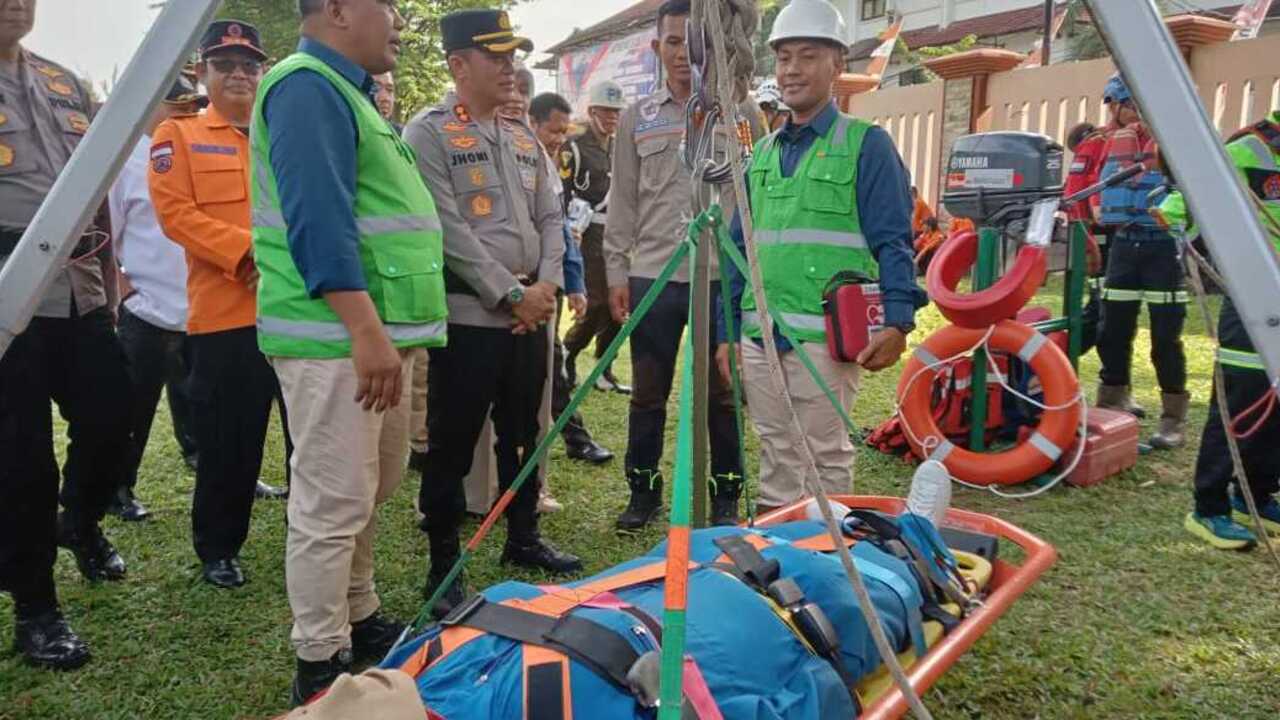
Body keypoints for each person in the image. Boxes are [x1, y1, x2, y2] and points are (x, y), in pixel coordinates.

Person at [252, 0, 446, 701]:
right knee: (333, 501)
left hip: (374, 337)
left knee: (371, 487)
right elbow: (318, 220)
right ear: (337, 9)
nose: (398, 20)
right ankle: (320, 657)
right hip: (338, 339)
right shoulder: (306, 84)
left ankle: (359, 615)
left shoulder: (350, 93)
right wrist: (366, 332)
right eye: (387, 6)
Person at [403, 8, 583, 612]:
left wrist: (548, 286)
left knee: (523, 432)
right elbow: (446, 228)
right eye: (496, 56)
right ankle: (443, 562)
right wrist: (512, 293)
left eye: (513, 56)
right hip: (471, 317)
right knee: (452, 441)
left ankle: (523, 535)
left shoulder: (520, 132)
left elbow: (553, 216)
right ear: (459, 64)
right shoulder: (427, 133)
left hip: (532, 315)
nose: (510, 67)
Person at [716, 0, 925, 514]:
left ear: (837, 64)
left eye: (807, 56)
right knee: (776, 452)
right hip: (760, 335)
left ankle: (832, 564)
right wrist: (726, 332)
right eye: (783, 57)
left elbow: (894, 240)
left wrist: (898, 321)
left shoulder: (867, 145)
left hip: (826, 339)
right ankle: (780, 562)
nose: (791, 69)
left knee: (824, 457)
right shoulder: (760, 154)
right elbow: (739, 250)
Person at [0, 0, 130, 670]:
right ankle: (36, 608)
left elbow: (98, 193)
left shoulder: (64, 82)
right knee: (22, 460)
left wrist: (109, 286)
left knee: (115, 418)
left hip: (79, 289)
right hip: (7, 299)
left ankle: (75, 522)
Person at [606, 0, 764, 529]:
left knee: (723, 391)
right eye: (672, 42)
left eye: (692, 41)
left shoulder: (742, 114)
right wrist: (614, 273)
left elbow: (754, 197)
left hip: (721, 275)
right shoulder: (637, 118)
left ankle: (724, 494)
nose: (682, 53)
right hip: (653, 276)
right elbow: (622, 202)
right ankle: (642, 493)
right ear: (656, 48)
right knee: (648, 393)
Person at [149, 20, 290, 590]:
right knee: (230, 441)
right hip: (227, 317)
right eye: (225, 64)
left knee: (310, 437)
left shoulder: (280, 134)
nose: (238, 73)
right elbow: (176, 214)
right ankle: (218, 547)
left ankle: (310, 539)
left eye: (249, 64)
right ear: (203, 72)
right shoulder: (177, 134)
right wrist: (247, 254)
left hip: (297, 313)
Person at [1155, 110, 1280, 550]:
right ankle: (1208, 508)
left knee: (1275, 406)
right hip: (1251, 300)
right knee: (1239, 403)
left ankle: (1257, 497)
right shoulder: (1247, 149)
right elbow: (1187, 197)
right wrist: (1176, 216)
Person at [107, 73, 204, 522]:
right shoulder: (124, 163)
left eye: (191, 108)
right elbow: (107, 238)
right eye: (176, 107)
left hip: (202, 305)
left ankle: (206, 460)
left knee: (205, 401)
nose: (186, 116)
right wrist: (124, 290)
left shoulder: (199, 154)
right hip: (146, 307)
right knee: (133, 407)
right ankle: (120, 486)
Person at [1090, 73, 1188, 448]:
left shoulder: (1175, 140)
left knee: (1166, 336)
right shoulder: (1111, 142)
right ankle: (1112, 401)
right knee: (1113, 328)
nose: (1115, 115)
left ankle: (1173, 419)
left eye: (1118, 106)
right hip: (1124, 243)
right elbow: (1090, 186)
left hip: (1163, 246)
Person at [562, 80, 632, 396]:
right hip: (586, 233)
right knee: (594, 303)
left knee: (619, 304)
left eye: (616, 112)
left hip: (617, 233)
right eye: (606, 111)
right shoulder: (574, 146)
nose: (612, 118)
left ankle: (605, 367)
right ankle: (568, 353)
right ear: (591, 111)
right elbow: (563, 192)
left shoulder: (620, 147)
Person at [1063, 121, 1107, 355]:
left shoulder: (1093, 146)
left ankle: (1069, 351)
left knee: (1100, 301)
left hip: (1096, 231)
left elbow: (1073, 193)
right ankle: (1069, 351)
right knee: (1101, 303)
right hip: (1101, 232)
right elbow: (1077, 193)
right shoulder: (1099, 145)